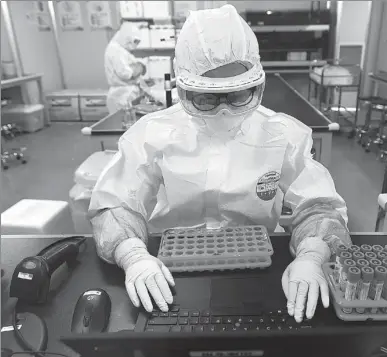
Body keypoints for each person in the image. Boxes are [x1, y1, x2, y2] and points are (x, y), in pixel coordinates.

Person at [90, 5, 351, 323]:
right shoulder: (151, 135)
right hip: (169, 271)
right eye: (207, 98)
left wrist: (312, 255)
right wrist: (132, 256)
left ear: (256, 86)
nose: (224, 111)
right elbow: (116, 206)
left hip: (257, 264)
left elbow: (319, 208)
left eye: (238, 95)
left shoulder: (283, 134)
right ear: (184, 87)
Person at [104, 22, 146, 114]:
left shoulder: (121, 50)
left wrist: (139, 67)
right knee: (125, 122)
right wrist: (139, 67)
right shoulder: (115, 50)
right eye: (134, 41)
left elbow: (138, 69)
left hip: (125, 94)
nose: (135, 45)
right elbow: (126, 74)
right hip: (122, 96)